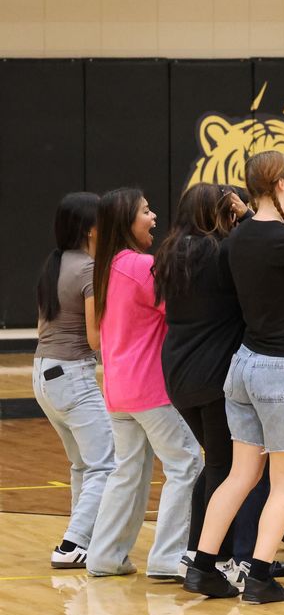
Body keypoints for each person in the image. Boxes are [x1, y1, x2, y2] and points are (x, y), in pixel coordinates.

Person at [183, 151, 284, 604]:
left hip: (244, 365)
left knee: (240, 474)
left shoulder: (236, 239)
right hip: (281, 367)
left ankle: (204, 567)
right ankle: (260, 577)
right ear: (278, 184)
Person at [154, 183, 284, 586]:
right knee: (224, 469)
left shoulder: (170, 253)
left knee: (216, 464)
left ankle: (199, 555)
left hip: (178, 373)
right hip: (213, 374)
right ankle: (217, 559)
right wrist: (249, 215)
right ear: (221, 212)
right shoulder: (221, 252)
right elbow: (261, 241)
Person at [86, 189, 202, 580]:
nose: (154, 217)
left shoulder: (106, 268)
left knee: (128, 470)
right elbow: (181, 308)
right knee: (187, 463)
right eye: (146, 211)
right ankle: (168, 556)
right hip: (150, 388)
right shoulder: (141, 266)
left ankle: (104, 555)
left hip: (118, 390)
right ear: (126, 222)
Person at [34, 192, 115, 569]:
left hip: (44, 374)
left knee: (83, 465)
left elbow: (41, 327)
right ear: (91, 228)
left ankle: (84, 538)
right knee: (104, 464)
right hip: (72, 374)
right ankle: (72, 545)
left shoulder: (54, 263)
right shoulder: (87, 269)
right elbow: (96, 338)